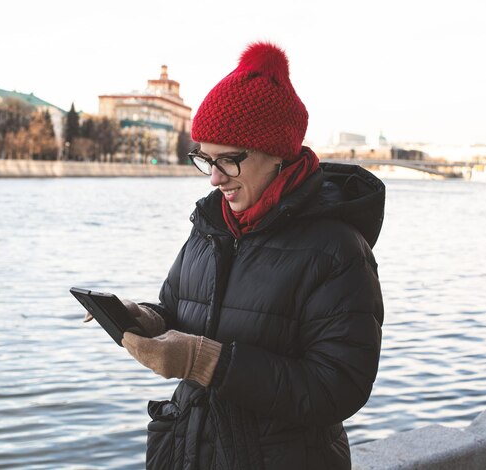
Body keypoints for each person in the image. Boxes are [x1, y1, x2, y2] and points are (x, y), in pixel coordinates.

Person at [88, 41, 385, 469]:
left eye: (227, 161)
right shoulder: (209, 226)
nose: (212, 179)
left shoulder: (336, 250)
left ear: (278, 154)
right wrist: (145, 319)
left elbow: (338, 386)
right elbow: (177, 309)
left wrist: (207, 362)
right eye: (204, 159)